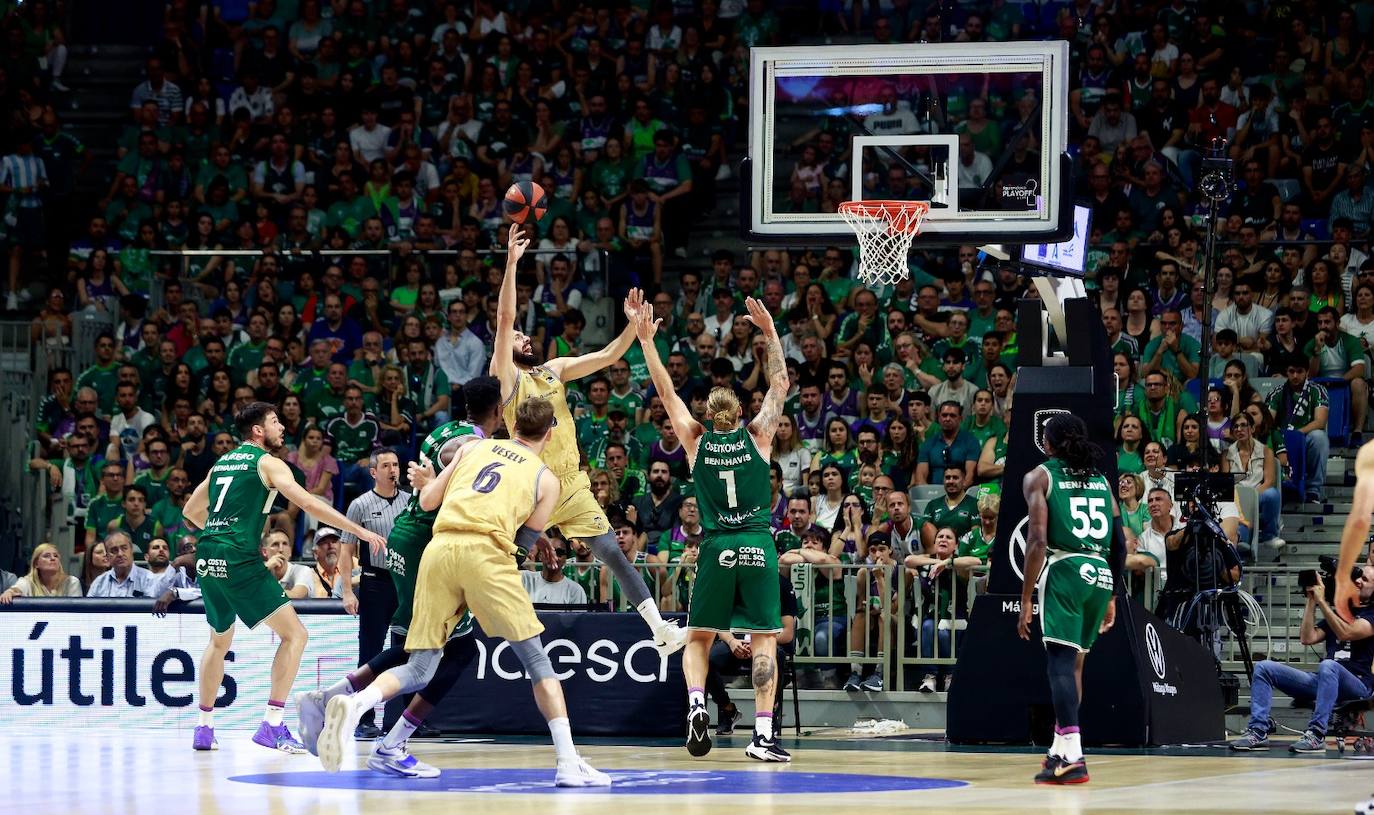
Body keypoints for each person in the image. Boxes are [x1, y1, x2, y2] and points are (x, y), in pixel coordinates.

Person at [314, 397, 611, 787]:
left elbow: (426, 499)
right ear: (550, 431)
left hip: (439, 550)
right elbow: (525, 539)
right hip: (486, 552)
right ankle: (568, 763)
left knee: (420, 666)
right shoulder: (547, 479)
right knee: (538, 662)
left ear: (511, 423)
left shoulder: (474, 447)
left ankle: (357, 704)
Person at [490, 224, 685, 655]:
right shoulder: (506, 378)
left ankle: (659, 630)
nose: (524, 336)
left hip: (570, 481)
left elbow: (609, 356)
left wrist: (635, 327)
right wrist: (511, 263)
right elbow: (505, 320)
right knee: (510, 556)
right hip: (529, 480)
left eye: (526, 334)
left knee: (612, 551)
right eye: (519, 335)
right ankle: (471, 615)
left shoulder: (554, 369)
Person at [298, 377, 504, 778]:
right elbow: (443, 492)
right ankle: (386, 739)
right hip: (430, 542)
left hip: (410, 539)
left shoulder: (451, 431)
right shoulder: (472, 445)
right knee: (443, 654)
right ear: (498, 410)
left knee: (434, 645)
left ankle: (332, 698)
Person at [633, 295, 793, 763]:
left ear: (708, 416)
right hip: (758, 546)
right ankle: (762, 735)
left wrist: (647, 341)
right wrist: (768, 331)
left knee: (699, 635)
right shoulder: (759, 437)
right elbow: (780, 381)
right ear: (741, 414)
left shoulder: (695, 441)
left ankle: (697, 706)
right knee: (765, 638)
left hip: (716, 545)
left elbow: (665, 394)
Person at [180, 402, 387, 753]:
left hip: (208, 554)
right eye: (275, 422)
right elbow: (307, 503)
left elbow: (189, 512)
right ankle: (272, 724)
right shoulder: (268, 462)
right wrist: (359, 531)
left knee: (218, 641)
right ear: (258, 431)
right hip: (236, 557)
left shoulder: (222, 463)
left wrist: (221, 534)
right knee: (295, 635)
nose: (281, 428)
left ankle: (204, 727)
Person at [1017, 415, 1119, 785]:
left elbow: (1038, 541)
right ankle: (1059, 752)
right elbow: (1120, 541)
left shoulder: (1040, 476)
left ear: (1048, 443)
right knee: (1075, 665)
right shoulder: (1101, 480)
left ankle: (1074, 754)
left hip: (1066, 569)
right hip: (1100, 570)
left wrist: (1026, 597)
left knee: (1058, 664)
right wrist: (1112, 593)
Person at [1231, 567, 1374, 754]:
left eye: (1365, 579)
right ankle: (1258, 730)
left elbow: (1346, 632)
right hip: (1324, 679)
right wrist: (1312, 601)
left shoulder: (1371, 614)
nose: (1358, 581)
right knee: (1264, 668)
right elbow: (1307, 638)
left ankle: (1316, 734)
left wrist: (1322, 601)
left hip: (1358, 685)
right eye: (1357, 577)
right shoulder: (1340, 613)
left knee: (1329, 665)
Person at [337, 447, 408, 739]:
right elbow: (346, 551)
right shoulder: (360, 505)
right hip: (374, 581)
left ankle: (408, 720)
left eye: (396, 464)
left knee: (410, 651)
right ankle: (364, 720)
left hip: (405, 582)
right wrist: (347, 592)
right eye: (387, 465)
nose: (393, 470)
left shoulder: (411, 502)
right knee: (370, 652)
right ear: (374, 472)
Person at [0, 543, 82, 601]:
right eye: (47, 556)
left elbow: (77, 611)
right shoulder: (27, 581)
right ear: (36, 563)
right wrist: (9, 592)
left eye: (56, 556)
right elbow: (16, 589)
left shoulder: (72, 582)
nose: (53, 558)